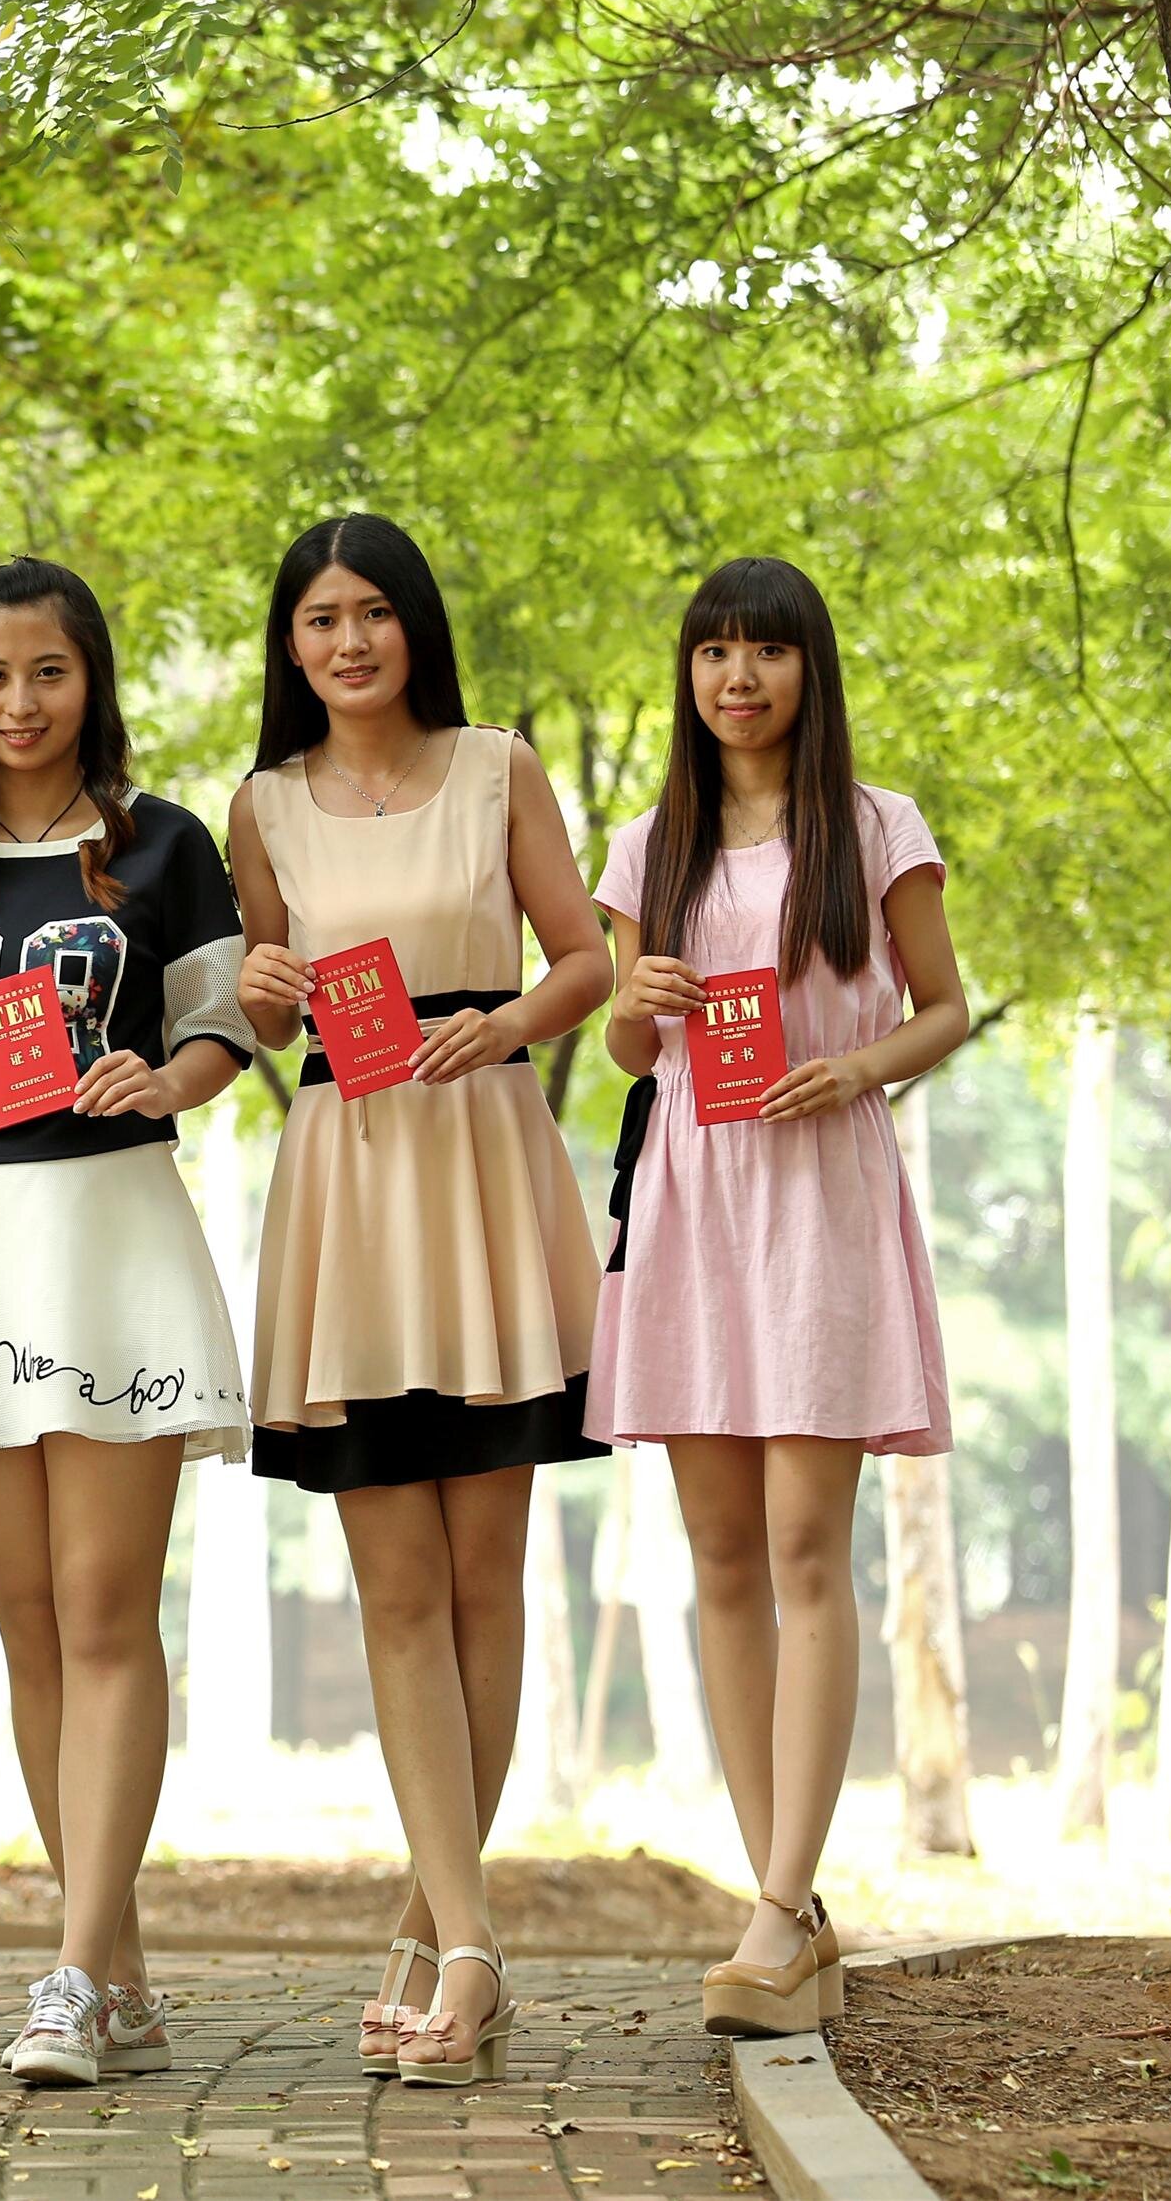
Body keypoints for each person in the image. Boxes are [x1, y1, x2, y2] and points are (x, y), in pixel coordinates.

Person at [0, 559, 256, 2087]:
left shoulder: (166, 847)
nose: (20, 703)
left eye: (49, 672)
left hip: (110, 1234)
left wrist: (165, 1076)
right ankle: (113, 1957)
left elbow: (219, 1023)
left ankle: (75, 1972)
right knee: (26, 1618)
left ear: (92, 683)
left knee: (103, 1609)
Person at [227, 515, 609, 2087]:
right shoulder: (262, 804)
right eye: (322, 618)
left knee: (482, 1580)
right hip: (351, 1183)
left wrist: (505, 1023)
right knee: (393, 1587)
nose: (350, 642)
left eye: (374, 612)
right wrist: (257, 994)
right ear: (292, 644)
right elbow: (266, 1010)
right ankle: (465, 1940)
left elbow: (583, 959)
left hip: (483, 1159)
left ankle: (443, 1936)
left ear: (414, 626)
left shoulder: (497, 768)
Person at [590, 557, 965, 2036]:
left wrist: (857, 1066)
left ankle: (778, 1901)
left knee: (808, 1544)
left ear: (811, 669)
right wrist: (634, 1006)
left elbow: (943, 1004)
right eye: (712, 654)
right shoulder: (648, 846)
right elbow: (630, 1054)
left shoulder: (876, 829)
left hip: (818, 1193)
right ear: (687, 675)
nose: (737, 679)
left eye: (766, 652)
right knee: (721, 1555)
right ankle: (785, 1908)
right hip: (692, 1197)